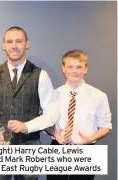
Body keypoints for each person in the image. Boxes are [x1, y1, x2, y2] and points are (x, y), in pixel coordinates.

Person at [17, 49, 112, 180]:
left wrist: (89, 139)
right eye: (70, 66)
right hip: (57, 147)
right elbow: (44, 121)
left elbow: (106, 126)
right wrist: (54, 133)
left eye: (79, 67)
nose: (74, 71)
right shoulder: (52, 96)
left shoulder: (99, 96)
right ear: (63, 69)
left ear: (86, 69)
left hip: (87, 149)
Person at [0, 26, 54, 180]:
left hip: (30, 144)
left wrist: (27, 126)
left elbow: (52, 113)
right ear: (3, 45)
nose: (14, 46)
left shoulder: (41, 75)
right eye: (9, 41)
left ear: (27, 44)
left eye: (19, 41)